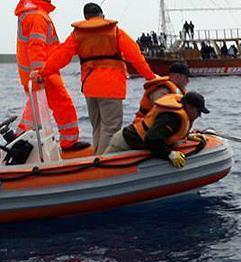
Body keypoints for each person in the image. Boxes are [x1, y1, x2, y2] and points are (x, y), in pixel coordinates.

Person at [37, 3, 157, 155]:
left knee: (98, 126)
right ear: (102, 15)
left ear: (86, 18)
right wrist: (150, 77)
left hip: (90, 87)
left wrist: (43, 73)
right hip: (111, 87)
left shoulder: (77, 34)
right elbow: (135, 56)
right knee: (111, 127)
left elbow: (60, 57)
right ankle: (103, 161)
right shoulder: (115, 31)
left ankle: (97, 156)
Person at [14, 0, 88, 151]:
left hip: (36, 74)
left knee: (34, 110)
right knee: (63, 105)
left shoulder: (31, 14)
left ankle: (18, 142)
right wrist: (40, 72)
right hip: (43, 73)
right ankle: (68, 143)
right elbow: (36, 46)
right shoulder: (37, 16)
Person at [105, 92, 209, 168]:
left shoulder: (179, 116)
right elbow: (152, 140)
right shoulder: (171, 118)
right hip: (125, 143)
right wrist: (169, 154)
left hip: (136, 142)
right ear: (189, 107)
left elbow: (166, 134)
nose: (199, 116)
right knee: (104, 166)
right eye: (198, 111)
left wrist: (187, 136)